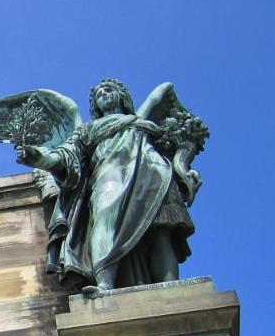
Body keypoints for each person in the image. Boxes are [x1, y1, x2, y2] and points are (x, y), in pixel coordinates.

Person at [16, 79, 196, 295]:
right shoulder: (88, 129)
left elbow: (162, 99)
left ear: (122, 96)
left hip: (155, 173)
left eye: (108, 90)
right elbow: (66, 154)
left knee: (160, 232)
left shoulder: (137, 118)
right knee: (103, 219)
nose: (103, 95)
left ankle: (172, 288)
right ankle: (105, 283)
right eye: (99, 94)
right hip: (110, 175)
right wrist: (41, 159)